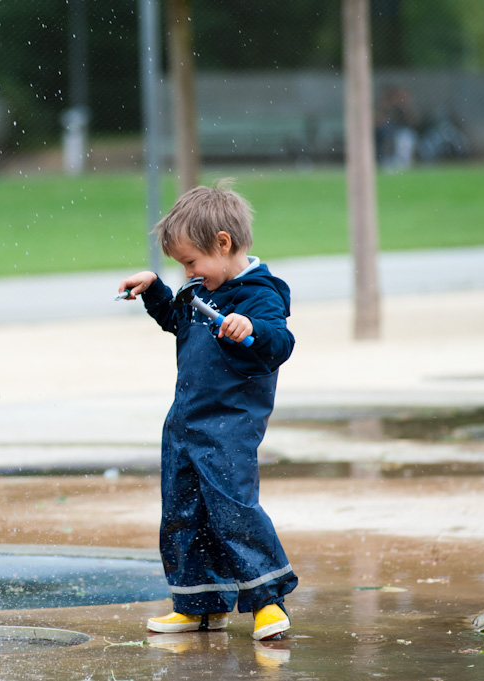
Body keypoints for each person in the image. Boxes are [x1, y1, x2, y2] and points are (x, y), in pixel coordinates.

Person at [117, 179, 298, 641]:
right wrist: (155, 290)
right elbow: (178, 323)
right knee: (181, 513)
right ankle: (197, 603)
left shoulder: (260, 295)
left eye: (191, 262)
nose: (188, 275)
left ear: (223, 243)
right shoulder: (203, 289)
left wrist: (251, 327)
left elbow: (279, 344)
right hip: (184, 422)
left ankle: (267, 602)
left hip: (229, 427)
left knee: (232, 511)